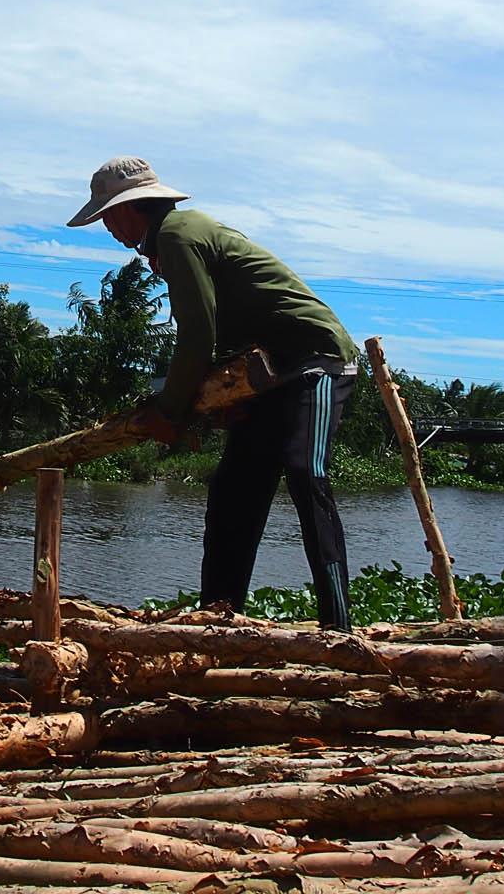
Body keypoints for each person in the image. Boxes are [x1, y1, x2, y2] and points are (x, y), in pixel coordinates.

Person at [68, 155, 360, 632]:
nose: (108, 229)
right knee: (233, 493)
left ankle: (340, 629)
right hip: (266, 374)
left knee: (306, 473)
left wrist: (170, 410)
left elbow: (197, 334)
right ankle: (218, 625)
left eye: (108, 217)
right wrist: (224, 398)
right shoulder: (170, 242)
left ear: (131, 208)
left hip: (316, 360)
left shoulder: (178, 235)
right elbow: (221, 333)